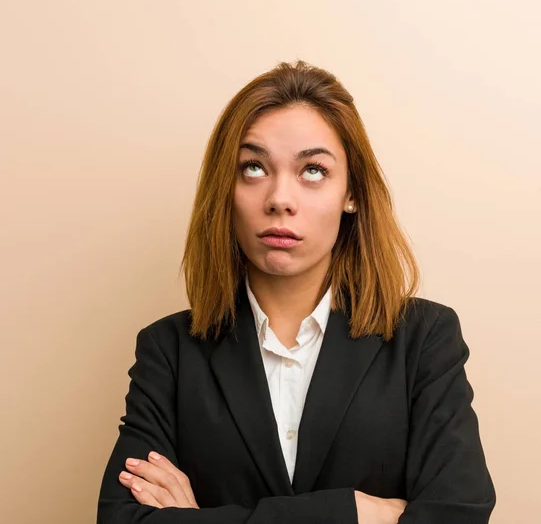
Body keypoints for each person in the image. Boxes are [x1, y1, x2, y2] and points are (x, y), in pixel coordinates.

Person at [96, 60, 496, 524]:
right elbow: (123, 520)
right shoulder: (169, 350)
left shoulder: (424, 339)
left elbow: (457, 516)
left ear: (352, 194)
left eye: (312, 170)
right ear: (224, 190)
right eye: (253, 167)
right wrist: (351, 513)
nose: (279, 198)